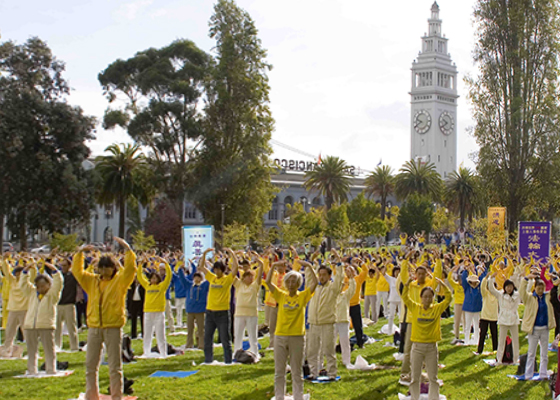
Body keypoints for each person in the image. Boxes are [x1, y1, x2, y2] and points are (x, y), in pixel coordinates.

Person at [72, 237, 137, 400]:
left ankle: (116, 396)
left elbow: (130, 270)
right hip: (94, 327)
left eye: (106, 268)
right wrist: (80, 253)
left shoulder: (120, 281)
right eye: (100, 268)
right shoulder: (92, 281)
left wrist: (128, 250)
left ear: (113, 268)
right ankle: (91, 395)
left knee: (115, 366)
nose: (102, 271)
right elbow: (77, 272)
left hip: (113, 327)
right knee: (90, 365)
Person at [266, 258, 318, 400]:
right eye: (288, 281)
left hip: (297, 337)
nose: (290, 284)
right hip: (280, 336)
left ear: (298, 283)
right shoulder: (281, 295)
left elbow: (315, 283)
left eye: (293, 281)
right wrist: (274, 266)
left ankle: (298, 397)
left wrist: (309, 266)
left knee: (296, 371)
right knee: (279, 371)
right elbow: (267, 282)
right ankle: (279, 397)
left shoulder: (303, 296)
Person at [402, 275, 452, 400]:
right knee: (415, 378)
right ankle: (414, 397)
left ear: (433, 298)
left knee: (433, 378)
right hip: (417, 347)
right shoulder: (415, 308)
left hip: (431, 347)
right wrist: (407, 284)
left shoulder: (436, 309)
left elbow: (449, 298)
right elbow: (405, 297)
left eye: (430, 296)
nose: (428, 299)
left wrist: (443, 285)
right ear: (421, 298)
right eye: (425, 296)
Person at [306, 248, 344, 381]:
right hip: (313, 323)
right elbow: (309, 277)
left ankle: (332, 373)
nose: (321, 277)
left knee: (329, 350)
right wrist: (311, 261)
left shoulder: (333, 288)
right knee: (312, 350)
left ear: (329, 276)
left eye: (324, 275)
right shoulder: (314, 287)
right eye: (319, 274)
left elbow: (340, 278)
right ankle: (313, 372)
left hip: (327, 323)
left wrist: (338, 260)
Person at [20, 261, 63, 375]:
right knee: (31, 350)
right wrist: (26, 271)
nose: (40, 288)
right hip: (30, 325)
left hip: (46, 325)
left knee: (49, 350)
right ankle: (32, 370)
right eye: (38, 286)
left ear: (49, 285)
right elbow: (23, 284)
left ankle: (51, 369)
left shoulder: (52, 295)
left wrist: (54, 270)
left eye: (43, 285)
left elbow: (59, 283)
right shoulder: (32, 293)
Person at [198, 248, 238, 364]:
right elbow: (201, 267)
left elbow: (235, 268)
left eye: (218, 269)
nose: (216, 271)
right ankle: (208, 360)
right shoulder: (212, 278)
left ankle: (228, 361)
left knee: (225, 339)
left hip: (223, 313)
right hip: (210, 312)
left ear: (223, 270)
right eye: (215, 269)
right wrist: (204, 254)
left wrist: (232, 253)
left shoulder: (227, 279)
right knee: (207, 338)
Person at [520, 271, 557, 380]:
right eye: (538, 288)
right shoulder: (530, 298)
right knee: (531, 353)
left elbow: (556, 288)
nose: (540, 291)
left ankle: (543, 374)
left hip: (545, 328)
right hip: (534, 329)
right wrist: (526, 279)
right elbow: (522, 291)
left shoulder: (547, 297)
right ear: (534, 288)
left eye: (542, 288)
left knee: (544, 353)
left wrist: (554, 277)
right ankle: (528, 374)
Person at [137, 257, 172, 357]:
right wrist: (140, 265)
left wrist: (166, 264)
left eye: (155, 278)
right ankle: (146, 352)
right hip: (148, 312)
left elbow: (169, 277)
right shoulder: (147, 286)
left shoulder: (162, 286)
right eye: (152, 278)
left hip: (159, 313)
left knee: (160, 335)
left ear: (158, 279)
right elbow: (140, 277)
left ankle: (163, 353)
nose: (153, 280)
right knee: (147, 334)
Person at [0, 256, 32, 358]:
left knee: (26, 332)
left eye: (20, 273)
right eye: (17, 273)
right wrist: (4, 260)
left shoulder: (27, 283)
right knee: (9, 332)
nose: (18, 275)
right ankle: (6, 350)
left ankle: (31, 351)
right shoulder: (12, 281)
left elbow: (33, 274)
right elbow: (6, 272)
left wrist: (31, 265)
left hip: (24, 310)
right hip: (13, 310)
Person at [233, 251, 263, 357]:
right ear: (243, 277)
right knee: (238, 335)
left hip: (251, 314)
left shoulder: (255, 286)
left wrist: (261, 264)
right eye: (248, 276)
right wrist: (234, 256)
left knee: (252, 336)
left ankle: (255, 353)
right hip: (239, 313)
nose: (251, 278)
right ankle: (236, 353)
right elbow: (233, 273)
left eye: (252, 277)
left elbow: (259, 276)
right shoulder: (239, 284)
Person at [488, 276, 520, 364]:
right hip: (503, 320)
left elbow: (524, 289)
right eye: (507, 287)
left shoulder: (516, 295)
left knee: (515, 341)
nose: (509, 289)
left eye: (511, 286)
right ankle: (499, 359)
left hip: (514, 320)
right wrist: (491, 278)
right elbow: (492, 289)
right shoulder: (500, 295)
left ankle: (515, 359)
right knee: (501, 341)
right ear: (504, 287)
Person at [177, 261, 209, 349]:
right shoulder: (189, 285)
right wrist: (180, 269)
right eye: (195, 277)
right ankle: (189, 344)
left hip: (200, 310)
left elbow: (211, 278)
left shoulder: (204, 286)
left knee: (201, 329)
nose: (196, 279)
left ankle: (201, 345)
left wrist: (207, 267)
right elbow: (183, 279)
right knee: (190, 329)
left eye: (198, 277)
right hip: (190, 310)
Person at [55, 257, 80, 352]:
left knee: (71, 327)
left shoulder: (73, 276)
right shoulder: (59, 275)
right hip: (58, 304)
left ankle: (74, 347)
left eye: (65, 265)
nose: (63, 267)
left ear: (70, 266)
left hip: (69, 304)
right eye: (62, 265)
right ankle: (57, 346)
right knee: (57, 328)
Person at [335, 266, 356, 367]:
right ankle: (330, 362)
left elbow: (352, 289)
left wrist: (351, 278)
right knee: (330, 343)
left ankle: (346, 361)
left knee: (345, 342)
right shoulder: (331, 295)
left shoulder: (345, 295)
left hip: (343, 320)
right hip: (332, 321)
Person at [461, 264, 487, 345]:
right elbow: (463, 279)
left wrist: (483, 270)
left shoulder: (480, 287)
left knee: (476, 325)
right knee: (468, 326)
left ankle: (477, 340)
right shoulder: (467, 287)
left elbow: (484, 279)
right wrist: (466, 270)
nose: (473, 283)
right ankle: (466, 340)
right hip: (468, 308)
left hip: (477, 308)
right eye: (472, 282)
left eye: (474, 282)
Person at [477, 275, 498, 355]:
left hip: (494, 317)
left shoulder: (497, 295)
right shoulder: (485, 294)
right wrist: (485, 278)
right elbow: (482, 287)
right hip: (485, 317)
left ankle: (495, 349)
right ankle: (479, 350)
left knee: (494, 334)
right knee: (482, 334)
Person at [448, 264, 465, 344]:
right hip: (458, 304)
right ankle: (456, 337)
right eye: (460, 279)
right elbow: (449, 278)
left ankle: (466, 336)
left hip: (465, 304)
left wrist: (468, 269)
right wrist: (452, 270)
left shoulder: (466, 286)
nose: (461, 281)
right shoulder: (456, 285)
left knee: (466, 321)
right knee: (457, 321)